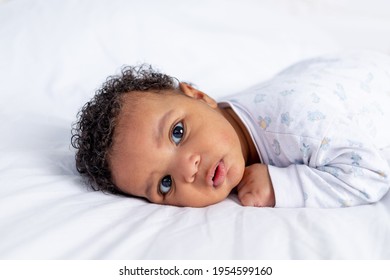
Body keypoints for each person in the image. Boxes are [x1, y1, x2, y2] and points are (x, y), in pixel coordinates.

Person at [71, 51, 390, 208]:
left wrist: (282, 185)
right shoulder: (220, 117)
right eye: (165, 185)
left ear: (199, 95)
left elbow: (372, 175)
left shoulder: (296, 130)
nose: (187, 170)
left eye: (177, 133)